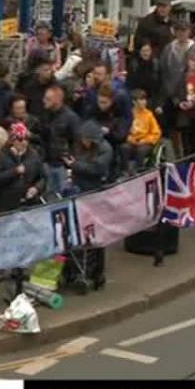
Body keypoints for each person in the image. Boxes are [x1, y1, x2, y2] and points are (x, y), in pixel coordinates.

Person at [63, 121, 112, 290]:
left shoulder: (105, 149)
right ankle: (76, 271)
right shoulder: (82, 148)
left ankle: (96, 273)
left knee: (96, 237)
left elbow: (97, 169)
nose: (82, 142)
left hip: (95, 194)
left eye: (85, 139)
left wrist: (75, 165)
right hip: (80, 193)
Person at [0, 123, 46, 213]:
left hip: (29, 203)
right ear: (13, 141)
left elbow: (42, 177)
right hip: (8, 205)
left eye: (26, 139)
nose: (23, 142)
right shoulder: (2, 155)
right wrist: (15, 171)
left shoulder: (34, 155)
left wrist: (36, 188)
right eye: (20, 139)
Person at [158, 21, 195, 136]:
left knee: (186, 129)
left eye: (184, 31)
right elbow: (162, 70)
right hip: (169, 94)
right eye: (179, 31)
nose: (181, 34)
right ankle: (176, 152)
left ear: (189, 32)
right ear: (175, 32)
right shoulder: (168, 48)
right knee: (171, 129)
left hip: (187, 95)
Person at [41, 84, 82, 195]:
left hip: (63, 165)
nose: (44, 101)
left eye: (48, 99)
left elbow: (77, 141)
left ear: (58, 100)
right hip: (48, 161)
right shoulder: (46, 115)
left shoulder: (71, 118)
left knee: (64, 196)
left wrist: (71, 161)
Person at [92, 84, 130, 179]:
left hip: (113, 146)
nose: (101, 105)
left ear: (111, 101)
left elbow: (121, 136)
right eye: (99, 102)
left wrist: (108, 133)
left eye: (104, 103)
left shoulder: (119, 114)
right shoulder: (93, 111)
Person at [124, 89, 162, 172]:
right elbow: (123, 130)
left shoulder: (149, 114)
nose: (144, 102)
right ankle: (125, 171)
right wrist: (129, 138)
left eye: (145, 99)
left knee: (141, 150)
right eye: (141, 100)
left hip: (145, 141)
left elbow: (156, 133)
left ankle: (139, 171)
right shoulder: (128, 114)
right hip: (132, 141)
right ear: (134, 102)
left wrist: (145, 140)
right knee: (124, 148)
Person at [126, 42, 162, 110]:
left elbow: (160, 85)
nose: (146, 53)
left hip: (153, 100)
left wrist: (158, 103)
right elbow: (129, 84)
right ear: (139, 52)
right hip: (137, 101)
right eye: (143, 51)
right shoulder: (134, 65)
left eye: (148, 50)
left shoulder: (156, 64)